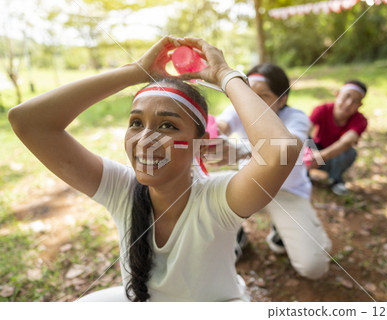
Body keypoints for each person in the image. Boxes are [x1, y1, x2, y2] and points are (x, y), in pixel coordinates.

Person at [8, 36, 300, 301]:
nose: (145, 140)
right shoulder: (122, 188)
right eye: (136, 123)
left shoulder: (218, 198)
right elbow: (28, 122)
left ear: (200, 142)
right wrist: (135, 71)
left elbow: (281, 151)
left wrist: (226, 75)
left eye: (167, 125)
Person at [214, 63, 332, 280]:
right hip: (249, 184)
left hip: (287, 192)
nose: (253, 102)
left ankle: (282, 230)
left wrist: (239, 150)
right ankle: (236, 233)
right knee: (205, 190)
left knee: (314, 267)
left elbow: (285, 149)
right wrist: (210, 136)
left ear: (282, 99)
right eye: (249, 94)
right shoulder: (239, 110)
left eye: (264, 95)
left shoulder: (297, 118)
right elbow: (220, 126)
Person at [308, 80, 368, 196]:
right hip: (315, 151)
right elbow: (305, 130)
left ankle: (335, 179)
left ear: (360, 105)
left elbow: (347, 141)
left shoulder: (360, 120)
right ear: (337, 95)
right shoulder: (322, 109)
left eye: (355, 101)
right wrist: (310, 153)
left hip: (332, 157)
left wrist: (321, 156)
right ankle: (302, 173)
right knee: (302, 140)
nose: (349, 103)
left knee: (350, 152)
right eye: (346, 97)